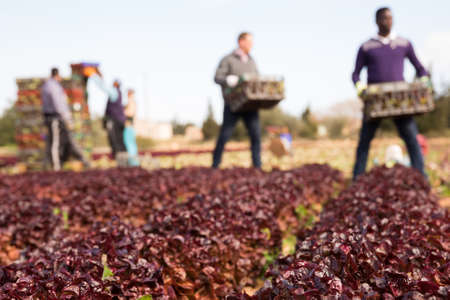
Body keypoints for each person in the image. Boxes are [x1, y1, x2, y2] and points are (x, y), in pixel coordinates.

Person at [351, 7, 430, 179]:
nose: (388, 21)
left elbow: (420, 68)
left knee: (411, 138)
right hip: (375, 101)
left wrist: (424, 81)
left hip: (399, 101)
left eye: (390, 18)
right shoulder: (367, 47)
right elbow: (355, 73)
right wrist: (360, 87)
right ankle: (357, 178)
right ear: (377, 21)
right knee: (364, 141)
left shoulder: (403, 43)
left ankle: (421, 177)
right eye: (384, 18)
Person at [212, 32, 261, 168]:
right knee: (225, 134)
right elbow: (217, 77)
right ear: (241, 42)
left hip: (250, 105)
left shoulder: (252, 61)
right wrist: (227, 79)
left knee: (256, 135)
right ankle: (215, 164)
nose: (251, 45)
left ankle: (257, 165)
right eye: (249, 42)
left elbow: (257, 78)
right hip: (233, 104)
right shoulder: (228, 59)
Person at [41, 67, 89, 170]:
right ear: (57, 75)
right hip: (55, 117)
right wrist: (67, 118)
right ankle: (56, 166)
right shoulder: (53, 87)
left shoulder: (46, 86)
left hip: (49, 116)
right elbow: (58, 104)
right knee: (55, 142)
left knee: (51, 141)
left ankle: (49, 164)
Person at [88, 72, 128, 165]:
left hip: (115, 120)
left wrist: (95, 76)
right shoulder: (120, 93)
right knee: (120, 140)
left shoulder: (114, 92)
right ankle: (123, 160)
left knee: (115, 140)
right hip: (120, 120)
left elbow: (103, 87)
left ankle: (120, 160)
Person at [123, 89, 139, 166]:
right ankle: (133, 161)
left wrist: (122, 112)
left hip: (129, 126)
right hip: (129, 126)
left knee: (130, 144)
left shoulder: (131, 102)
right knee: (130, 144)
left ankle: (133, 162)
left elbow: (130, 113)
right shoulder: (131, 102)